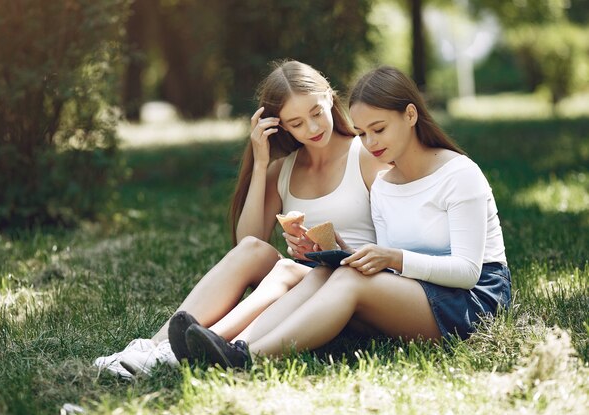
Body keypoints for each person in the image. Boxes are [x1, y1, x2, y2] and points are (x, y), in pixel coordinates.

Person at [176, 65, 512, 368]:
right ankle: (230, 346)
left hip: (472, 300)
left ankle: (246, 358)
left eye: (379, 129)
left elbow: (468, 272)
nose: (370, 142)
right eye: (363, 133)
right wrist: (345, 251)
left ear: (411, 115)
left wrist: (391, 257)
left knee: (347, 278)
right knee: (332, 269)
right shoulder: (384, 183)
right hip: (418, 290)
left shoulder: (459, 174)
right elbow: (391, 265)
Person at [94, 60, 385, 378]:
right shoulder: (283, 169)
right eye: (297, 123)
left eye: (316, 112)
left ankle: (181, 352)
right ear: (281, 126)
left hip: (353, 288)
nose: (313, 129)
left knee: (288, 268)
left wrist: (338, 254)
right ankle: (152, 347)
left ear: (329, 97)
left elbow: (394, 239)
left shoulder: (366, 155)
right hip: (302, 283)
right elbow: (250, 242)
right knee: (252, 250)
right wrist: (261, 164)